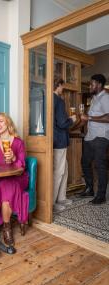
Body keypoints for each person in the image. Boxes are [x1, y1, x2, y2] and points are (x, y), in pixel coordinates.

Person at [0, 112, 29, 246]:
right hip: (2, 178)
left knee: (5, 186)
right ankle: (6, 227)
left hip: (18, 178)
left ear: (8, 122)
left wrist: (13, 158)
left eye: (1, 121)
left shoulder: (18, 142)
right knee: (4, 186)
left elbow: (22, 166)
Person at [78, 74, 109, 204]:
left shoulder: (106, 98)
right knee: (85, 162)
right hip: (90, 137)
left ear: (99, 84)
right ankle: (90, 188)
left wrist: (89, 118)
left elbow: (108, 117)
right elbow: (87, 119)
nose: (90, 86)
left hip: (101, 137)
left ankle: (101, 195)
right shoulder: (94, 99)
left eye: (92, 84)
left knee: (100, 166)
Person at [53, 78, 77, 212]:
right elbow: (62, 123)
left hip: (53, 140)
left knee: (64, 169)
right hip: (60, 141)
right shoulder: (59, 100)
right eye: (62, 87)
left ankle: (61, 197)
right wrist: (71, 120)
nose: (63, 89)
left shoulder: (46, 99)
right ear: (58, 86)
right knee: (58, 171)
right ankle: (52, 203)